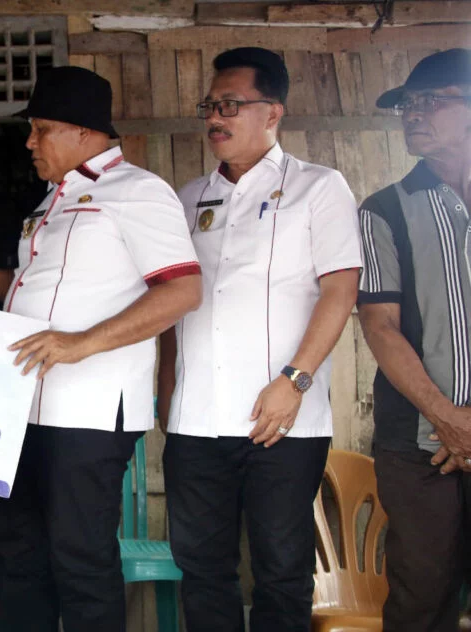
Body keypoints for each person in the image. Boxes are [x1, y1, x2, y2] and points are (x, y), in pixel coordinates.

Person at [0, 66, 202, 632]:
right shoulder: (50, 201)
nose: (29, 142)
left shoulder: (138, 192)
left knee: (80, 557)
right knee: (19, 553)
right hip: (23, 407)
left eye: (40, 128)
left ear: (82, 130)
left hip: (90, 412)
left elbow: (182, 290)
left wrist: (82, 344)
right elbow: (47, 298)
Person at [156, 47, 362, 632]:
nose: (214, 118)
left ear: (273, 111)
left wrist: (294, 382)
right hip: (195, 422)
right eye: (210, 106)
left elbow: (340, 292)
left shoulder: (319, 188)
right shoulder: (187, 198)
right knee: (202, 568)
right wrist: (168, 392)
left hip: (282, 420)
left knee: (280, 569)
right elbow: (174, 305)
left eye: (230, 105)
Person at [356, 48, 471, 630]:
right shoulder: (383, 212)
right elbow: (380, 326)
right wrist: (450, 418)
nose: (412, 114)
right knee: (421, 600)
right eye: (406, 105)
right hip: (417, 445)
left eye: (432, 101)